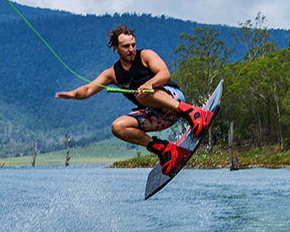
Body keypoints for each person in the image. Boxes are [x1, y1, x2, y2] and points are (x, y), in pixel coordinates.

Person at [54, 24, 213, 174]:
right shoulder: (113, 74)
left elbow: (165, 74)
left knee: (142, 94)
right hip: (157, 116)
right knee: (117, 127)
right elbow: (88, 89)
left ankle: (194, 113)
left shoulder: (145, 55)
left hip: (172, 100)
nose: (131, 49)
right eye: (126, 46)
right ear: (116, 48)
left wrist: (149, 84)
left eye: (133, 45)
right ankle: (162, 148)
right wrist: (73, 94)